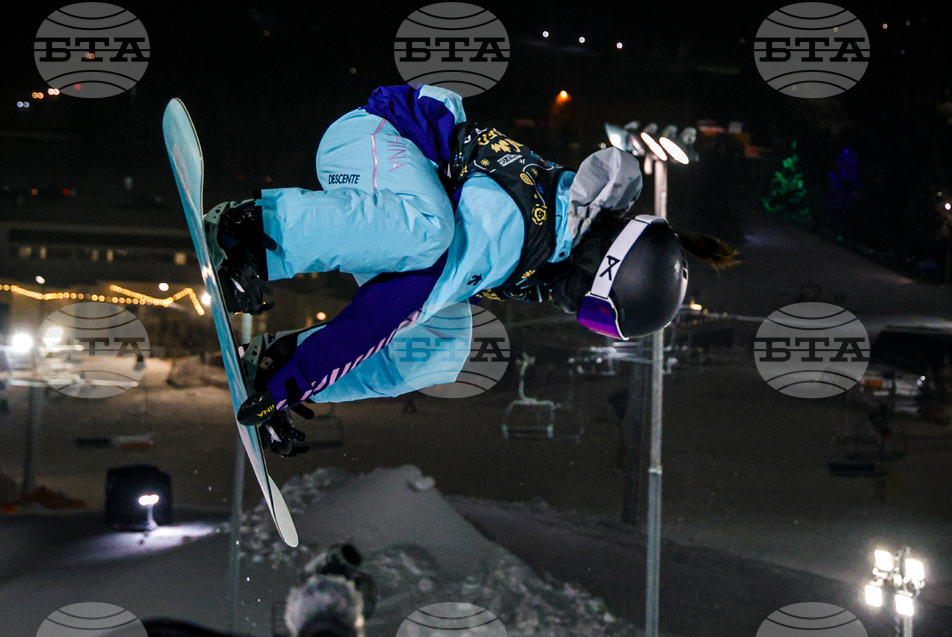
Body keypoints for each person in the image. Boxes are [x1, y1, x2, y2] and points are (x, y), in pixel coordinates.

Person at [205, 84, 738, 456]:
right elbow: (390, 310)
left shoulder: (555, 242)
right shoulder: (511, 232)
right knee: (427, 232)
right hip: (374, 139)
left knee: (443, 349)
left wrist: (293, 377)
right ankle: (253, 232)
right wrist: (296, 381)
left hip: (402, 194)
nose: (578, 313)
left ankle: (272, 360)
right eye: (597, 311)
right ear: (603, 267)